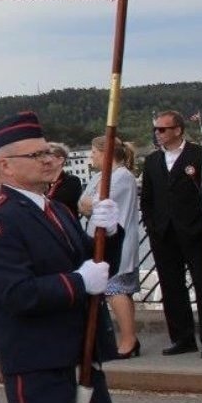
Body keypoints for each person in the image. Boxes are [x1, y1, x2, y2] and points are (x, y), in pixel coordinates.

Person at [0, 112, 118, 403]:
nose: (48, 159)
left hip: (80, 354)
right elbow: (18, 294)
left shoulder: (56, 209)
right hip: (39, 364)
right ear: (5, 166)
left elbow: (98, 269)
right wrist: (79, 282)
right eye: (36, 154)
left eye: (48, 151)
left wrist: (107, 233)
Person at [140, 110, 202, 359]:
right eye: (156, 129)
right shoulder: (153, 161)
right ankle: (182, 337)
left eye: (163, 129)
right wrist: (151, 224)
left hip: (194, 231)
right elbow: (147, 197)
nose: (158, 134)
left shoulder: (199, 155)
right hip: (162, 233)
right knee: (171, 286)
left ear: (177, 130)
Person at [79, 136, 142, 359]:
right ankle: (129, 337)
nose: (91, 157)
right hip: (100, 239)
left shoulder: (122, 176)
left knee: (116, 289)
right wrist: (91, 204)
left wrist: (92, 203)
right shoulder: (98, 176)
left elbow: (97, 202)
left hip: (118, 239)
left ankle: (128, 340)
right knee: (114, 290)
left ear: (105, 154)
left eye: (94, 152)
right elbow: (83, 203)